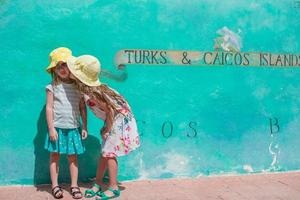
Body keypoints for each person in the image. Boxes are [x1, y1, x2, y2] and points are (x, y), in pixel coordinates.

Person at [67, 55, 140, 200]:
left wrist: (107, 128)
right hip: (114, 118)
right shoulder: (86, 91)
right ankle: (98, 183)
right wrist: (100, 125)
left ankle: (113, 188)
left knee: (110, 153)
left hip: (120, 119)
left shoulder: (94, 92)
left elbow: (111, 110)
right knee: (104, 152)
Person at [45, 47, 87, 199]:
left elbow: (82, 107)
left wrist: (85, 126)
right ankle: (55, 186)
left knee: (73, 158)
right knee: (54, 156)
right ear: (54, 70)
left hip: (73, 128)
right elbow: (49, 108)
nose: (62, 69)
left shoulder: (78, 87)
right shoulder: (52, 87)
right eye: (58, 66)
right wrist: (51, 128)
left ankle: (74, 185)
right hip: (57, 128)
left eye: (65, 65)